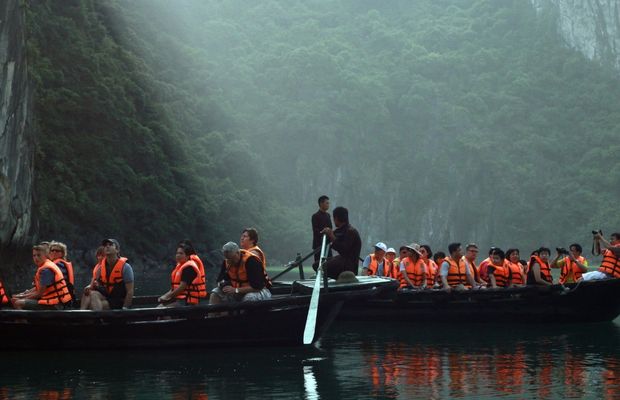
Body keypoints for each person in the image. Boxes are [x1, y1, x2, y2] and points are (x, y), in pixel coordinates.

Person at [11, 244, 72, 310]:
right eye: (34, 255)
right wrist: (22, 295)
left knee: (18, 303)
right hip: (49, 301)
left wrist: (22, 298)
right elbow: (37, 289)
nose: (36, 258)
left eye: (39, 255)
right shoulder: (44, 266)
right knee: (16, 299)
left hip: (55, 304)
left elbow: (39, 293)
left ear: (46, 256)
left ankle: (23, 320)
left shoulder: (46, 270)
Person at [84, 239, 134, 310]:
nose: (107, 247)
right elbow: (95, 282)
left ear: (117, 250)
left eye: (110, 245)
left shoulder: (126, 267)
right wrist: (89, 286)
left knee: (93, 306)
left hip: (119, 300)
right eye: (105, 245)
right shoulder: (101, 267)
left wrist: (125, 308)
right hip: (107, 296)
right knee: (93, 294)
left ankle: (97, 319)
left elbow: (130, 291)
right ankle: (97, 318)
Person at [319, 206, 362, 279]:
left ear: (336, 218)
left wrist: (332, 236)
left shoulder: (351, 231)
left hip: (349, 264)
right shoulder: (340, 230)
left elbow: (344, 250)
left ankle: (336, 282)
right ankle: (336, 280)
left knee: (323, 266)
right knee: (316, 265)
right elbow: (328, 240)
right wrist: (325, 234)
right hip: (342, 261)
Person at [80, 246, 105, 310]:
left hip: (107, 293)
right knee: (86, 292)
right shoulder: (97, 267)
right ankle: (81, 311)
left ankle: (83, 311)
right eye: (99, 256)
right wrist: (88, 286)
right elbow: (93, 281)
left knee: (92, 293)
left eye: (103, 256)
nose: (100, 258)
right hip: (99, 290)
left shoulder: (108, 267)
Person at [311, 195, 333, 265]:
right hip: (318, 245)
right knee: (318, 264)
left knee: (329, 264)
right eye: (327, 203)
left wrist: (328, 230)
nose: (328, 205)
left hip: (327, 245)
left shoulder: (328, 215)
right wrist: (323, 232)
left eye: (328, 203)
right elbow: (315, 231)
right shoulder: (315, 216)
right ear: (321, 203)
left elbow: (331, 227)